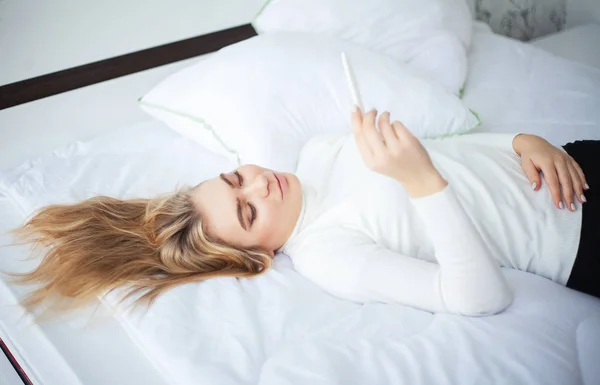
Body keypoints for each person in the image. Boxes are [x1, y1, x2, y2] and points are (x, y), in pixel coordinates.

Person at [10, 108, 599, 317]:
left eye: (236, 177)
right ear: (258, 255)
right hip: (582, 239)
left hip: (571, 164)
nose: (262, 184)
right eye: (247, 211)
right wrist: (421, 182)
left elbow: (452, 151)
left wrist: (521, 140)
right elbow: (479, 298)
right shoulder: (328, 257)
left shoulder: (318, 152)